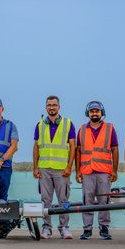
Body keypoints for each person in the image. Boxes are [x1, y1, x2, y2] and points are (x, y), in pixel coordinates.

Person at [33, 95, 76, 239]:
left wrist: (70, 167)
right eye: (49, 105)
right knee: (46, 200)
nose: (52, 107)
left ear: (59, 107)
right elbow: (36, 147)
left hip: (62, 170)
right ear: (46, 107)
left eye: (54, 105)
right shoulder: (40, 125)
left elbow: (73, 147)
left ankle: (64, 228)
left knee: (63, 200)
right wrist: (35, 167)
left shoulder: (68, 124)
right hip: (44, 168)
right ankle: (47, 228)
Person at [75, 101, 119, 240]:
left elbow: (115, 150)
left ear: (102, 113)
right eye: (92, 111)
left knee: (104, 201)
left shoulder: (110, 128)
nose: (94, 113)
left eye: (97, 111)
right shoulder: (82, 129)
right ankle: (87, 230)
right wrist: (77, 171)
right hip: (87, 171)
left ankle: (104, 229)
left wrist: (115, 171)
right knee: (87, 200)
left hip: (104, 171)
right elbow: (78, 152)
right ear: (88, 113)